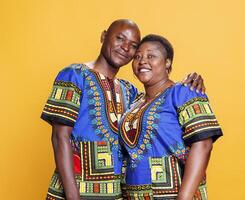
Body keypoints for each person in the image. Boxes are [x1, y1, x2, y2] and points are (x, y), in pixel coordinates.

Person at [41, 19, 206, 200]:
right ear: (104, 36)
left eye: (133, 45)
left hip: (117, 194)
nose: (125, 47)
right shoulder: (74, 75)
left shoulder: (130, 91)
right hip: (76, 192)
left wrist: (189, 81)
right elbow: (59, 137)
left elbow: (160, 102)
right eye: (120, 38)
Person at [119, 34, 223, 200]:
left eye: (151, 56)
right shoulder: (134, 101)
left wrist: (184, 197)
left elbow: (203, 145)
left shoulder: (184, 92)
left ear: (167, 62)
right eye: (137, 57)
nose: (142, 61)